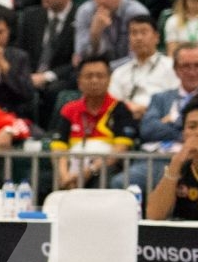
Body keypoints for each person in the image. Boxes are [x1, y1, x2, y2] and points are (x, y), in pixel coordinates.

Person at [54, 55, 141, 190]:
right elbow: (59, 148)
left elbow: (120, 150)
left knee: (105, 178)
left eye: (100, 76)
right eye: (89, 76)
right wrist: (64, 175)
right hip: (72, 167)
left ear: (109, 80)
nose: (94, 80)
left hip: (102, 168)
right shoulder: (69, 109)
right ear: (79, 81)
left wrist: (90, 171)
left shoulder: (120, 109)